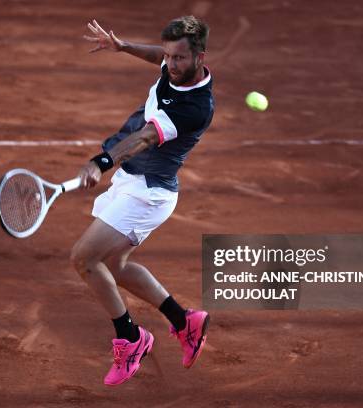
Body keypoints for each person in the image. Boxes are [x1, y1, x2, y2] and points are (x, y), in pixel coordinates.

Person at [72, 16, 214, 386]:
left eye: (179, 59)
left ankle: (131, 338)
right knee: (115, 266)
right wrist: (125, 47)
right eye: (168, 56)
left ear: (201, 57)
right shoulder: (178, 67)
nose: (170, 64)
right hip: (131, 179)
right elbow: (161, 58)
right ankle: (185, 322)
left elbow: (145, 137)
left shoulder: (195, 107)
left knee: (85, 259)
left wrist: (101, 161)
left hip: (148, 192)